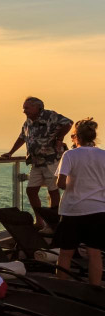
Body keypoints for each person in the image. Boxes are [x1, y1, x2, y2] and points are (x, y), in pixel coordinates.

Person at [2, 97, 72, 229]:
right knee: (31, 190)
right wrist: (10, 152)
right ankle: (40, 221)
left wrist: (59, 138)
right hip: (36, 162)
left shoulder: (50, 115)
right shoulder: (28, 122)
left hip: (51, 160)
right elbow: (22, 137)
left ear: (37, 107)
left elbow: (68, 123)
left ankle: (53, 223)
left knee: (53, 191)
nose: (24, 111)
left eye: (26, 108)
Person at [54, 118, 105, 286]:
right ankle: (95, 290)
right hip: (97, 210)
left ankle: (62, 291)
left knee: (65, 254)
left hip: (73, 210)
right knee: (94, 253)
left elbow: (60, 184)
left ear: (76, 137)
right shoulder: (103, 155)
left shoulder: (69, 155)